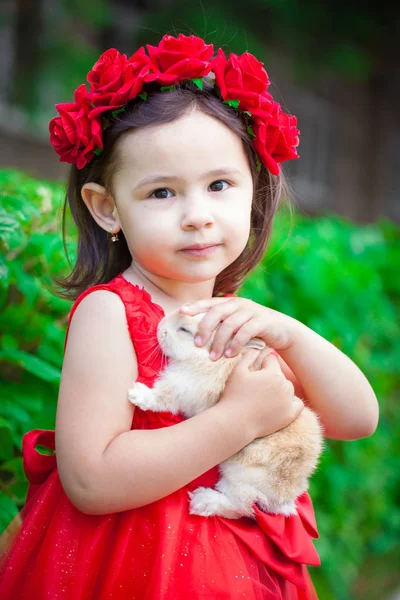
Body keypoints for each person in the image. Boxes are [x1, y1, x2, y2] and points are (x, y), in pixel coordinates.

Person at [0, 34, 379, 599]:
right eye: (161, 193)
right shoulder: (111, 313)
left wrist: (292, 335)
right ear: (108, 209)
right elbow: (91, 479)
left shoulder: (243, 320)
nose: (197, 216)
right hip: (134, 564)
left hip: (239, 569)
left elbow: (357, 418)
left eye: (219, 185)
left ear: (253, 192)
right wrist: (238, 419)